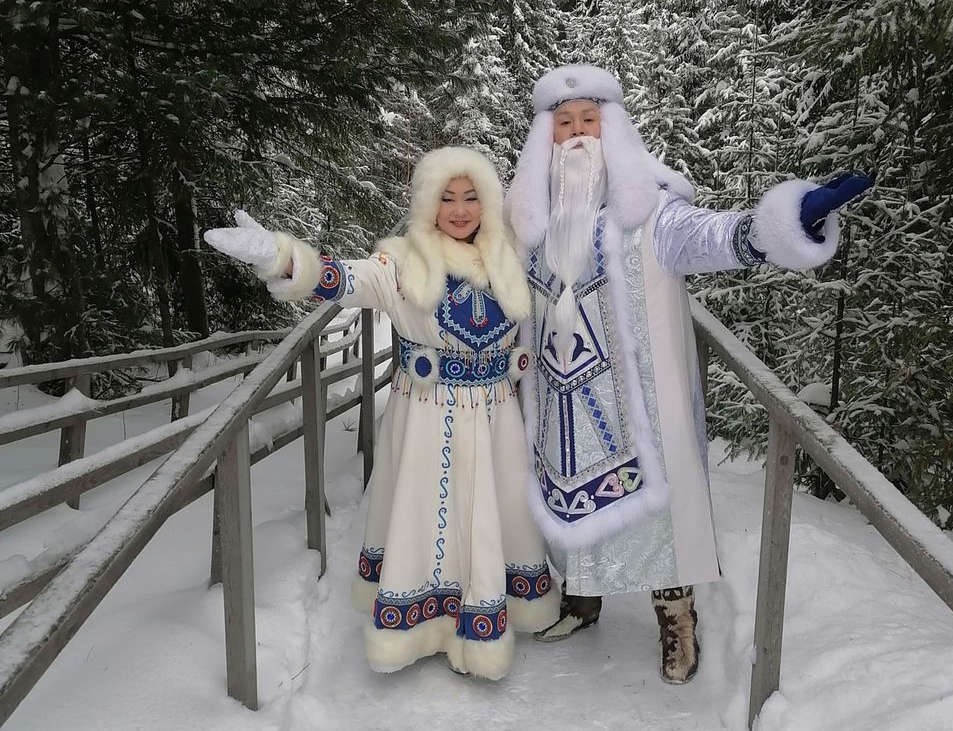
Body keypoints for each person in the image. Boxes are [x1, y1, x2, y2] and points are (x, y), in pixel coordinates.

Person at [505, 63, 872, 683]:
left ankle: (676, 619)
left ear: (611, 131)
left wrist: (785, 222)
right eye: (562, 124)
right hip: (562, 404)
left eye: (587, 122)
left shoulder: (653, 216)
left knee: (656, 514)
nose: (574, 136)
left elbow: (717, 236)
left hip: (637, 412)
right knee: (564, 503)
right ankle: (581, 597)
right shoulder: (530, 226)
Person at [204, 146, 558, 680]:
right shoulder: (401, 263)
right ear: (426, 204)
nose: (460, 210)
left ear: (488, 202)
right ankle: (427, 625)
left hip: (496, 415)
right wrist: (280, 257)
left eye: (471, 198)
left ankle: (487, 614)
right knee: (430, 514)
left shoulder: (513, 259)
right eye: (447, 198)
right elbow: (343, 280)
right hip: (429, 418)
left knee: (494, 510)